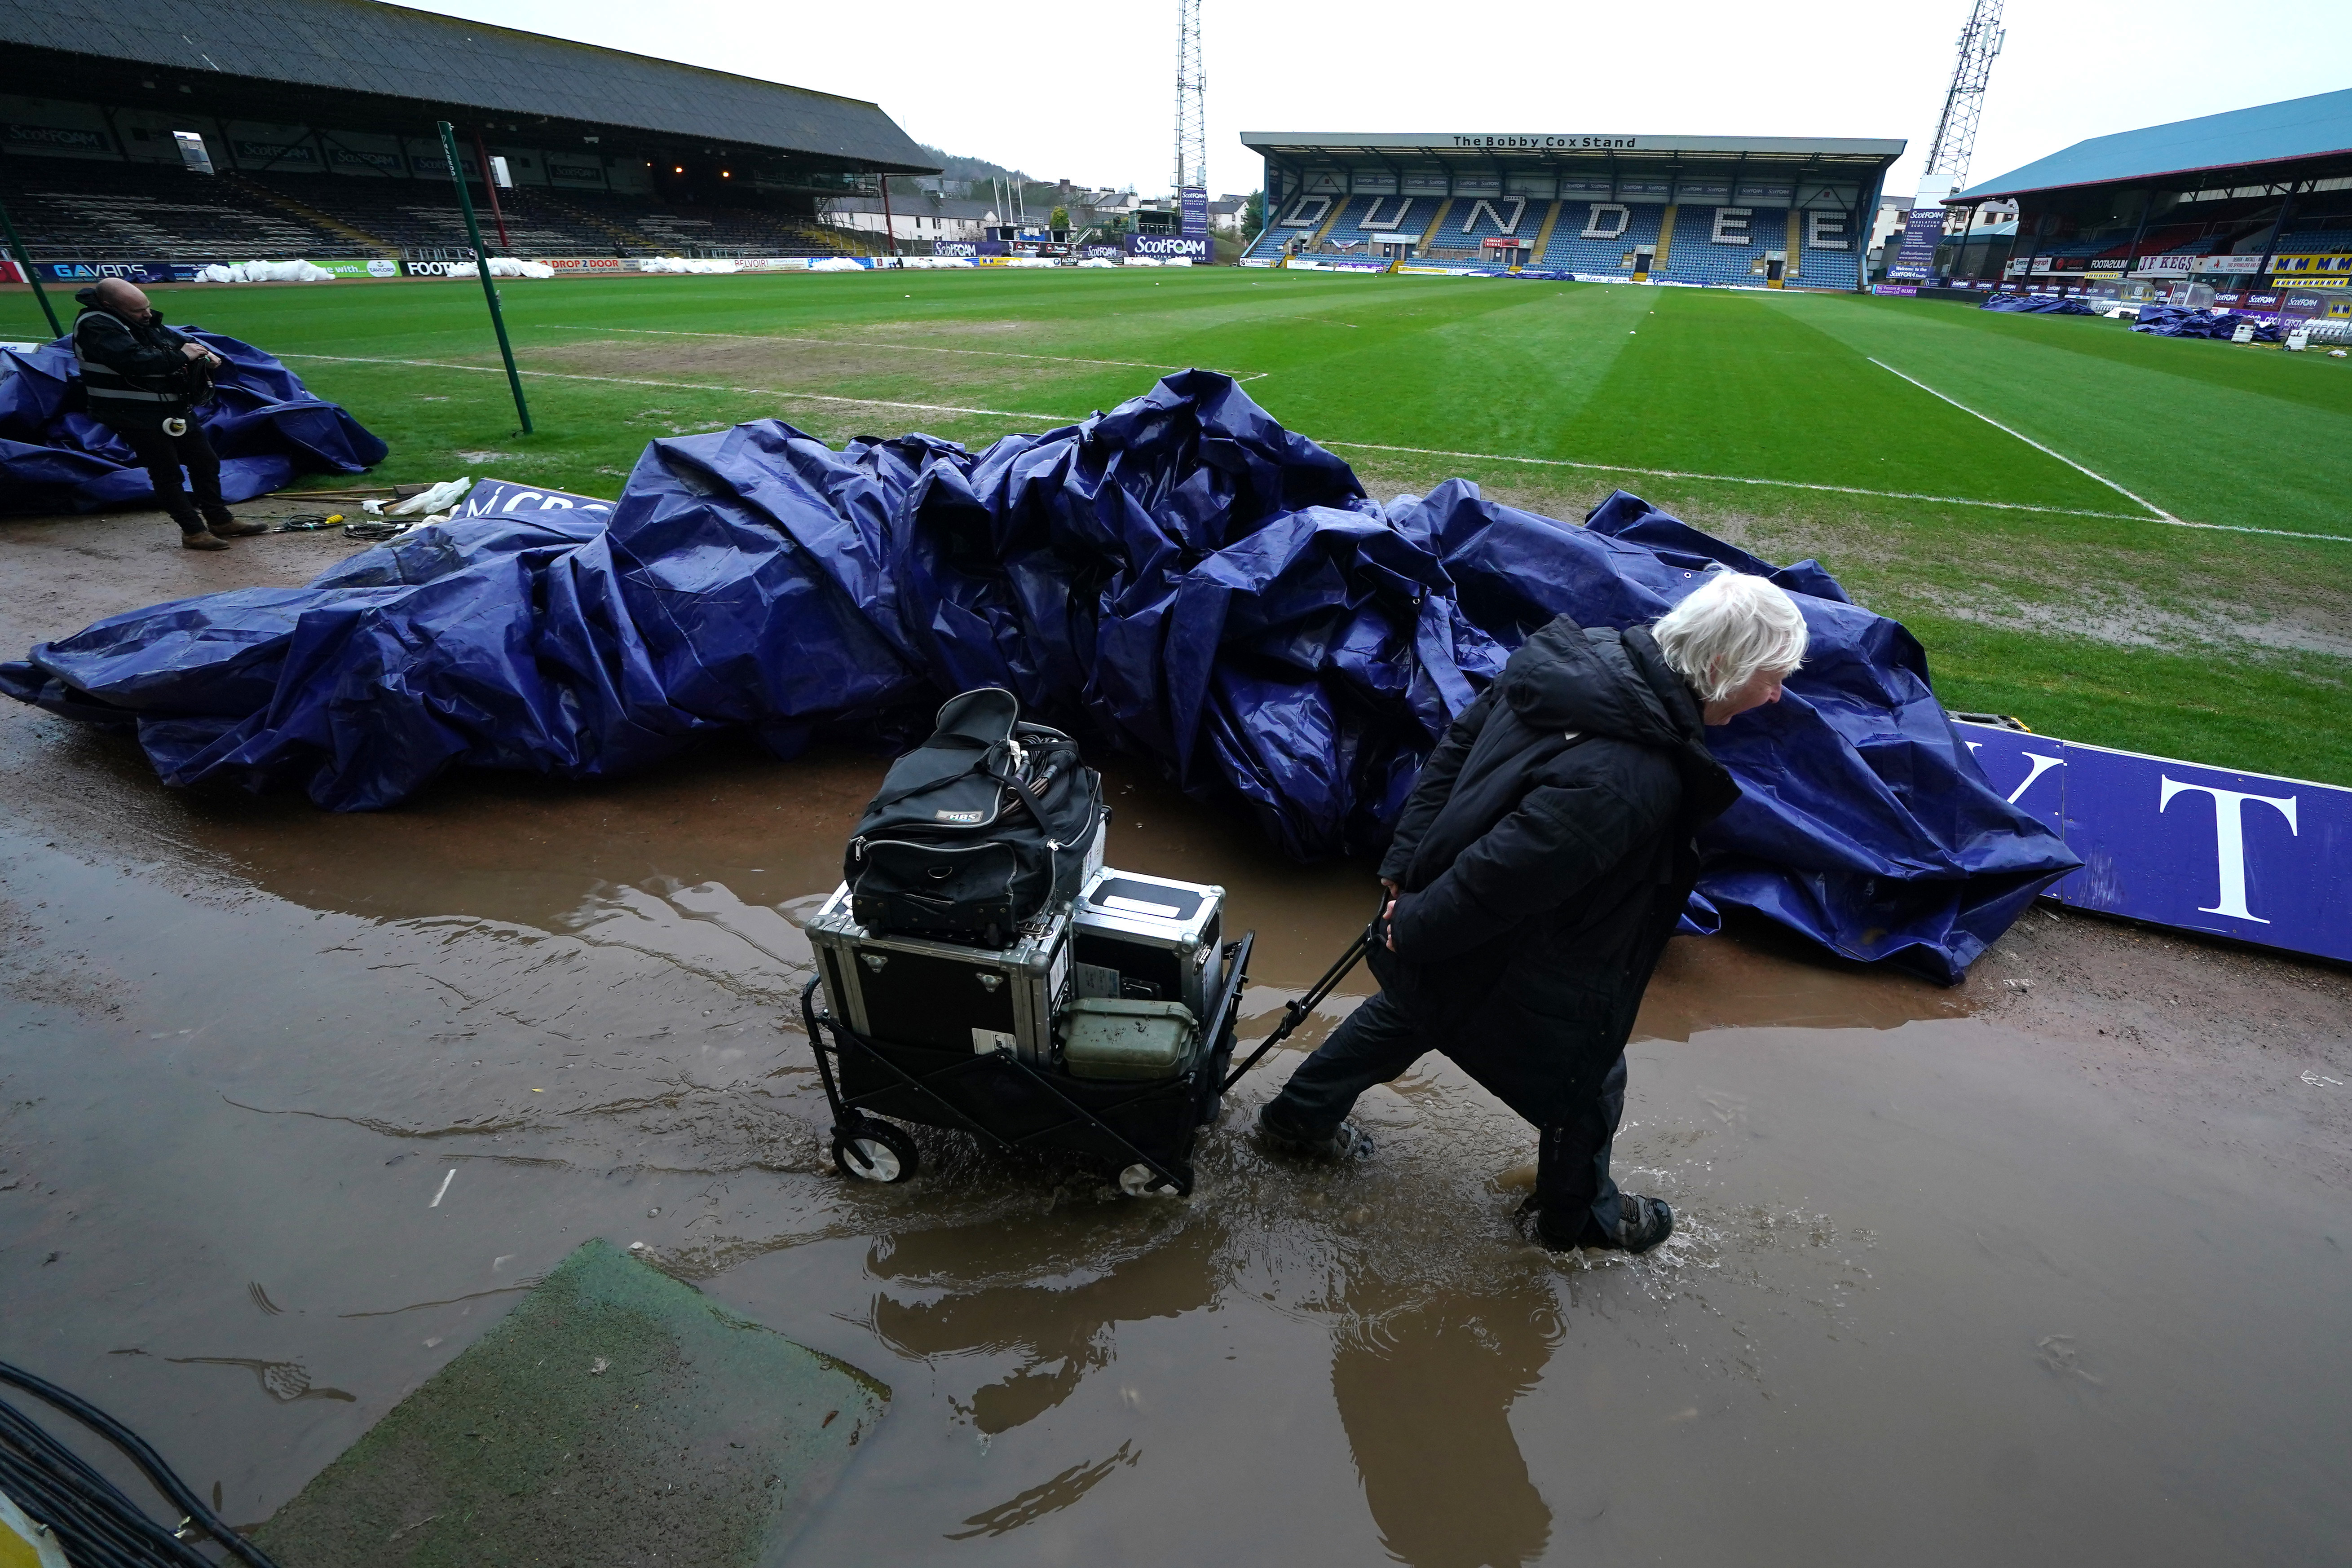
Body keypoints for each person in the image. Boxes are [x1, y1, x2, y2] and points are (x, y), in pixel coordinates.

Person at [1256, 571, 1809, 1254]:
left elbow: (1457, 746)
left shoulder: (1586, 657)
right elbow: (1502, 876)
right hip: (1514, 934)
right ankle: (1581, 1220)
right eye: (1773, 676)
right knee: (1589, 1072)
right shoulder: (1631, 775)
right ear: (1721, 666)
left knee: (1418, 1001)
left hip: (1447, 905)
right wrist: (1417, 925)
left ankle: (1296, 1120)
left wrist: (1407, 873)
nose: (1777, 694)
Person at [71, 277, 264, 551]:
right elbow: (134, 362)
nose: (147, 315)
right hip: (132, 411)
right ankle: (193, 531)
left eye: (147, 307)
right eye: (138, 311)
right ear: (109, 305)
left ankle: (220, 520)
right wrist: (184, 356)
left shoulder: (136, 321)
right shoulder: (95, 325)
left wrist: (204, 354)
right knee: (166, 472)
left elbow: (174, 341)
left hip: (171, 408)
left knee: (205, 461)